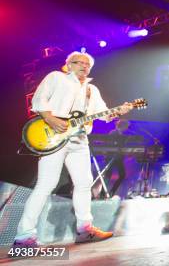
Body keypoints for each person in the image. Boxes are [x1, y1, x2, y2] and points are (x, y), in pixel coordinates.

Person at [13, 51, 133, 247]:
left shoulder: (91, 90)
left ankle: (85, 229)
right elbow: (38, 101)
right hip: (53, 137)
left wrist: (117, 112)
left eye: (88, 65)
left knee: (84, 183)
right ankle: (24, 236)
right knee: (46, 184)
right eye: (80, 63)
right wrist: (51, 119)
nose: (84, 66)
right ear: (68, 64)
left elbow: (103, 115)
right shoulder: (56, 78)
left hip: (79, 141)